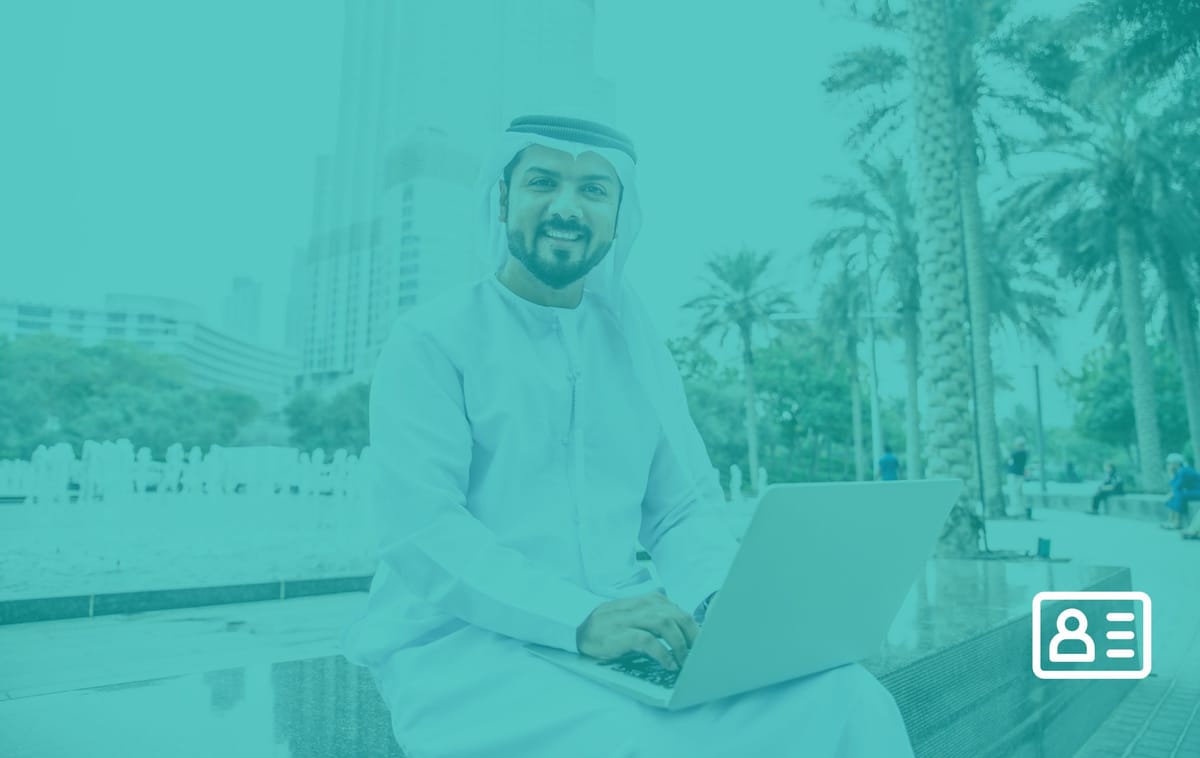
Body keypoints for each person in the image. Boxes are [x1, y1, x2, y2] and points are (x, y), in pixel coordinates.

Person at [342, 115, 915, 757]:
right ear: (502, 200)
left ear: (618, 215)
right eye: (542, 182)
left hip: (629, 633)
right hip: (470, 646)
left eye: (593, 189)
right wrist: (579, 618)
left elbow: (679, 510)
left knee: (848, 698)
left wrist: (721, 603)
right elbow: (422, 529)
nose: (567, 207)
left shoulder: (634, 347)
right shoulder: (431, 340)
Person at [1162, 453, 1200, 532]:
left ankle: (1177, 523)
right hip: (1195, 491)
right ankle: (1171, 520)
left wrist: (1171, 474)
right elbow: (1175, 486)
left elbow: (1177, 486)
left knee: (1178, 495)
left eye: (1169, 463)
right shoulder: (1180, 471)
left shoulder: (1184, 471)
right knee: (1177, 495)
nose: (1168, 465)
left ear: (1177, 463)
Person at [1006, 437, 1029, 518]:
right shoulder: (1024, 453)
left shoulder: (1019, 453)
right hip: (1019, 475)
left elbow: (1009, 456)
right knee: (1018, 492)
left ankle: (1016, 510)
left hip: (1015, 475)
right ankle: (1020, 509)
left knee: (1014, 492)